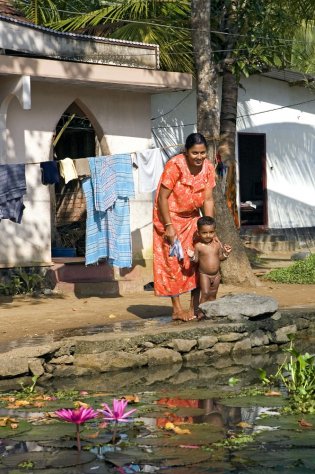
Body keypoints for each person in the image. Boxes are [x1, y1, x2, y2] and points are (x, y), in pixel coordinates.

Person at [153, 132, 216, 321]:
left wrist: (209, 227)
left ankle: (194, 307)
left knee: (196, 261)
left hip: (192, 220)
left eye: (202, 153)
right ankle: (177, 309)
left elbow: (208, 199)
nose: (199, 157)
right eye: (195, 153)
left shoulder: (209, 168)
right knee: (173, 263)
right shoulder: (175, 165)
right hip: (168, 218)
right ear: (187, 152)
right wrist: (168, 226)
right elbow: (162, 197)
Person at [187, 216, 231, 316]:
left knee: (213, 294)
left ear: (214, 232)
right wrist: (192, 257)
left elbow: (220, 258)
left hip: (216, 275)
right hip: (204, 275)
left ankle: (211, 312)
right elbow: (196, 260)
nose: (208, 235)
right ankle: (201, 313)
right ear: (198, 233)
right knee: (205, 293)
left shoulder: (217, 244)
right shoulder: (198, 246)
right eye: (204, 232)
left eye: (211, 232)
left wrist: (226, 253)